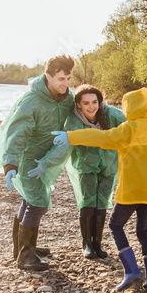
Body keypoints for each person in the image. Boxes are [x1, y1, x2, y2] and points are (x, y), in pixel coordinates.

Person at [52, 87, 147, 292]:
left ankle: (131, 271)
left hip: (131, 191)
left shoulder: (127, 129)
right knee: (144, 231)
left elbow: (99, 137)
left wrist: (70, 136)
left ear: (128, 107)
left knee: (115, 226)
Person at [0, 54, 75, 271]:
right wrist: (10, 165)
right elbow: (16, 133)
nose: (65, 84)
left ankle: (22, 247)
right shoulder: (32, 101)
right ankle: (25, 256)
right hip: (27, 158)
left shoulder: (67, 97)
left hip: (46, 157)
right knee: (38, 202)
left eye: (68, 78)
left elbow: (87, 109)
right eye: (60, 79)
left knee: (30, 199)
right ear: (47, 76)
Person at [48, 84, 125, 259]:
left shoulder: (111, 114)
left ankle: (97, 241)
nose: (91, 107)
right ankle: (87, 243)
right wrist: (45, 163)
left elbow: (134, 123)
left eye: (94, 102)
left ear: (100, 102)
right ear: (79, 105)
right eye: (86, 103)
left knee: (102, 202)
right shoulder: (74, 119)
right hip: (85, 164)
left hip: (109, 163)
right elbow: (61, 144)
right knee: (87, 202)